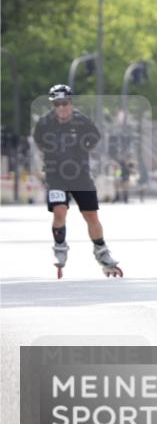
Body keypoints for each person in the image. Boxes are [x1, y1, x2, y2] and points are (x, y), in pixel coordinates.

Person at [32, 84, 122, 278]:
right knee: (59, 210)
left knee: (91, 216)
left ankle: (101, 252)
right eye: (57, 104)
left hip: (80, 175)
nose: (61, 108)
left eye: (64, 103)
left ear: (70, 103)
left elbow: (94, 139)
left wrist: (80, 152)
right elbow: (39, 142)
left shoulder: (83, 122)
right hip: (55, 175)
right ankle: (60, 247)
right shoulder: (44, 123)